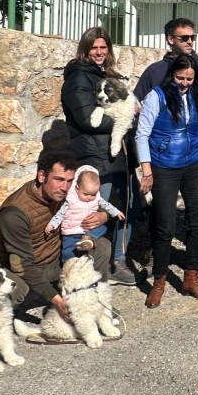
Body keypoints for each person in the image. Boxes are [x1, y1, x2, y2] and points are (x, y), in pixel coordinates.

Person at [0, 148, 111, 323]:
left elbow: (96, 202)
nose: (64, 187)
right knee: (10, 293)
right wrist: (57, 300)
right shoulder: (15, 212)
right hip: (23, 267)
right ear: (42, 177)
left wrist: (103, 216)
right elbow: (22, 264)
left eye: (69, 181)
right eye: (59, 180)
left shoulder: (67, 195)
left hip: (56, 261)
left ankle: (94, 302)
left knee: (101, 245)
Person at [136, 55, 198, 308]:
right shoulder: (156, 96)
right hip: (163, 166)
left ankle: (190, 276)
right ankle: (159, 280)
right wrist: (146, 171)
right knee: (165, 226)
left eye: (189, 79)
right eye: (180, 78)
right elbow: (142, 135)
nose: (184, 83)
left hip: (192, 165)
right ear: (172, 75)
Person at [60, 27, 135, 285]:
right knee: (92, 215)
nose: (99, 52)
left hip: (116, 156)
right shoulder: (78, 78)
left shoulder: (105, 75)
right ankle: (85, 270)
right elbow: (85, 119)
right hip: (95, 156)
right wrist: (126, 119)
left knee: (123, 210)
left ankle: (117, 263)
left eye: (103, 47)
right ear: (85, 49)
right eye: (94, 48)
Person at [133, 17, 198, 149]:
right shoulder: (154, 71)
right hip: (162, 150)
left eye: (192, 37)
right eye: (184, 38)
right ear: (170, 39)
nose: (189, 41)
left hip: (195, 148)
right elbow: (135, 104)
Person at [44, 165, 125, 265]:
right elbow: (60, 214)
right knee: (68, 251)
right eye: (86, 194)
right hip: (72, 231)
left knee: (103, 227)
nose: (90, 197)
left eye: (93, 194)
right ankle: (68, 265)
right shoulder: (70, 200)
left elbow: (107, 205)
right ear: (77, 188)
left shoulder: (96, 198)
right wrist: (52, 225)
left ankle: (89, 239)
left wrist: (117, 212)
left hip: (88, 231)